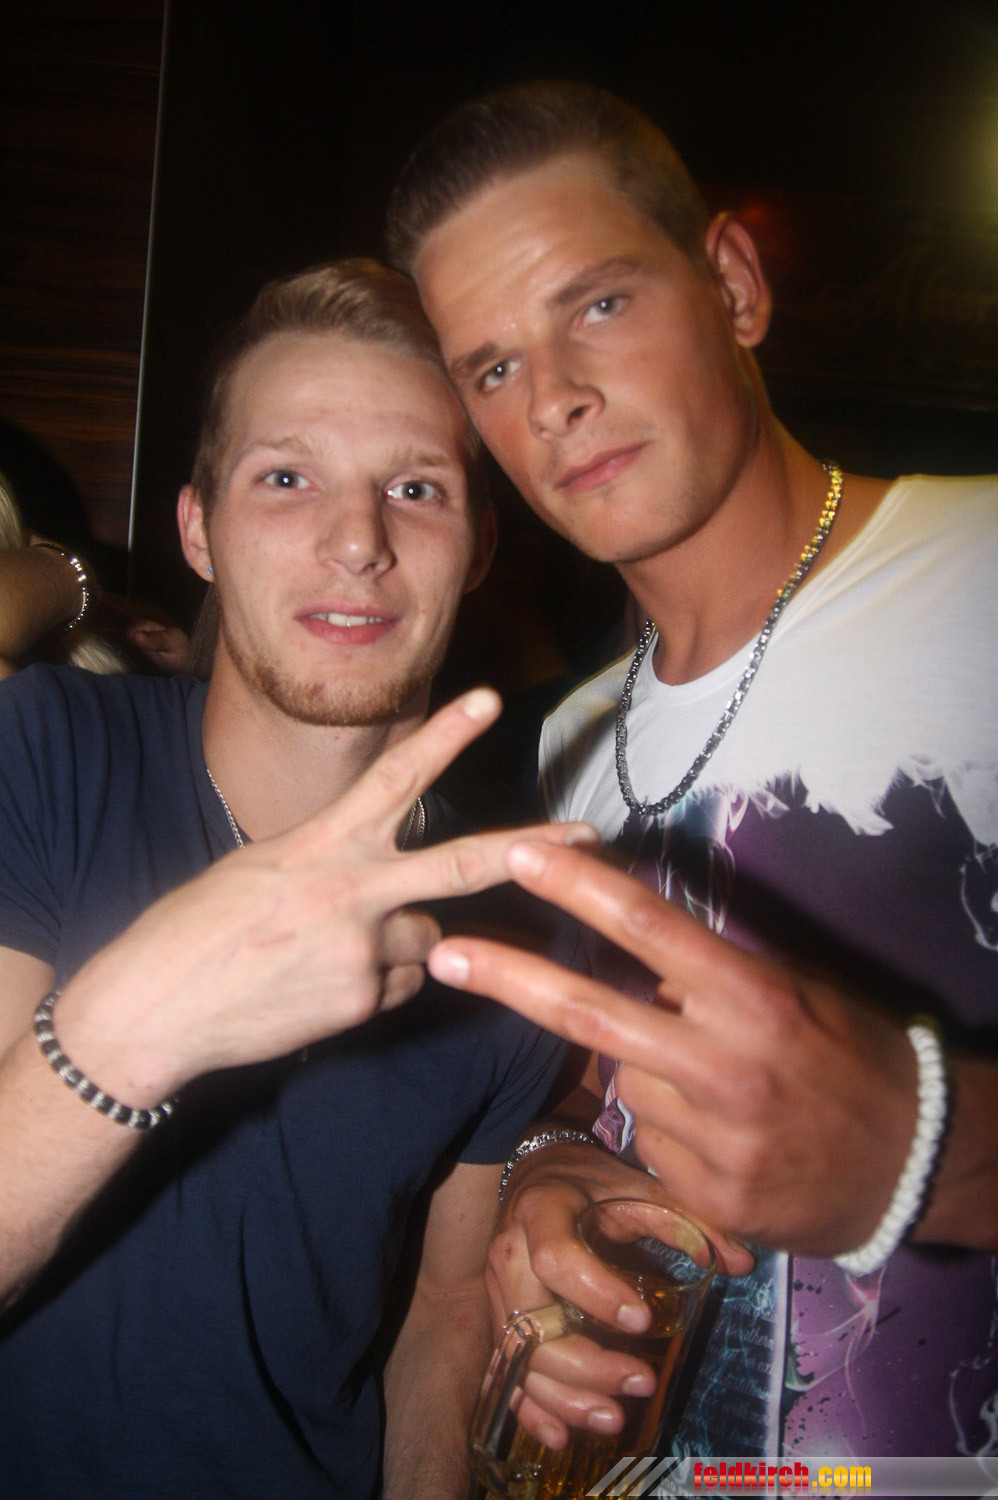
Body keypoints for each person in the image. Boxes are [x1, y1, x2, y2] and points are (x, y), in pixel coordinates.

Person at [385, 81, 998, 1461]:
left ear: (731, 285)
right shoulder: (570, 739)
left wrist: (926, 1145)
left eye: (597, 304)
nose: (556, 399)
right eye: (491, 369)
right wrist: (555, 1175)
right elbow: (600, 1091)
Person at [0, 258, 596, 1498]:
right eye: (286, 478)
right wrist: (132, 1029)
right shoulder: (43, 752)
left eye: (415, 489)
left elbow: (442, 1315)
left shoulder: (512, 924)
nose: (357, 541)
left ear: (478, 548)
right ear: (197, 530)